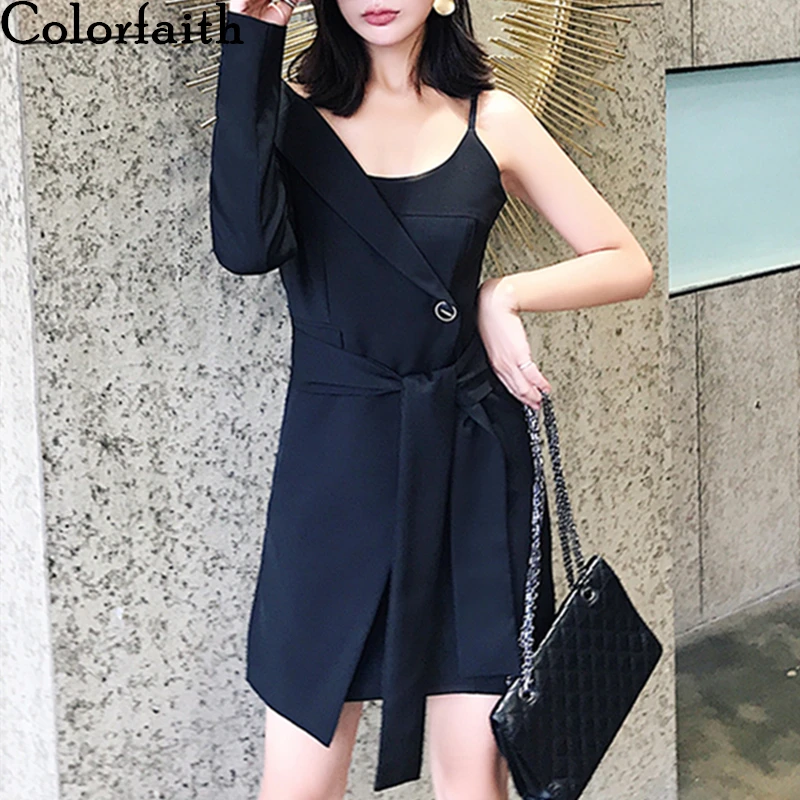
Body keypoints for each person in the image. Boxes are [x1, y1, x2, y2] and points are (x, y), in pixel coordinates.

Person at [209, 0, 654, 798]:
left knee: (472, 777)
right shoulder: (287, 114)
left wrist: (503, 294)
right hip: (333, 474)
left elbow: (626, 260)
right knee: (299, 782)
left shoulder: (494, 119)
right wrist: (249, 33)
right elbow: (244, 247)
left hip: (472, 464)